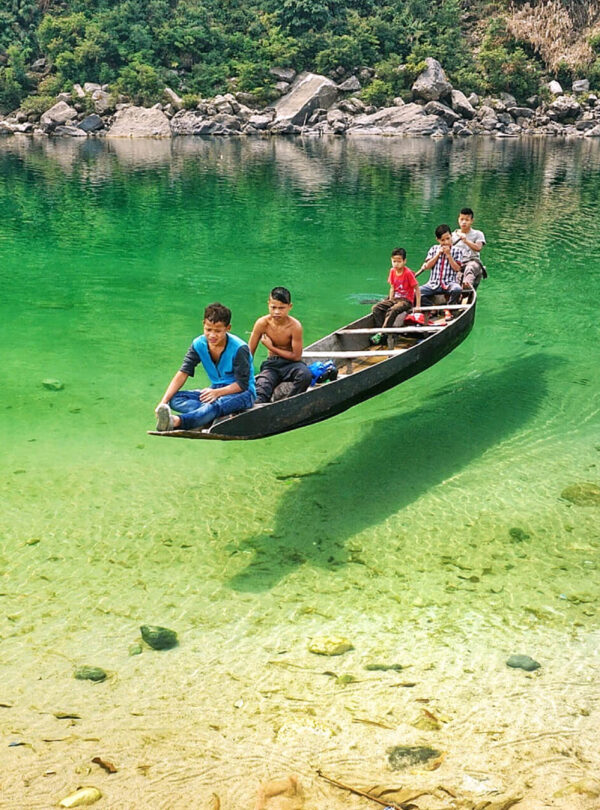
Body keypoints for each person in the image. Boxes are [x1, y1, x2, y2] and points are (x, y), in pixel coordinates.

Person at [155, 302, 255, 431]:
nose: (212, 335)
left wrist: (217, 393)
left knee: (214, 406)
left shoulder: (240, 348)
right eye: (208, 329)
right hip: (215, 389)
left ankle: (176, 421)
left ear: (228, 328)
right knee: (175, 399)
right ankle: (207, 414)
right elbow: (183, 372)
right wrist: (163, 402)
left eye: (218, 331)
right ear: (203, 324)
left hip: (242, 393)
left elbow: (242, 385)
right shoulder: (198, 344)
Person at [248, 287, 312, 403]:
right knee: (262, 387)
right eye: (273, 307)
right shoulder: (262, 323)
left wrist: (271, 347)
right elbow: (249, 353)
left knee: (305, 375)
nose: (277, 312)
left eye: (281, 308)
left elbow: (296, 356)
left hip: (291, 364)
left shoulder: (295, 326)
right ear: (268, 304)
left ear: (289, 307)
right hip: (272, 364)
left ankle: (290, 403)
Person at [371, 247, 421, 341]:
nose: (396, 264)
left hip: (406, 301)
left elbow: (417, 289)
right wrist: (390, 300)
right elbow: (392, 288)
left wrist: (418, 306)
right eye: (394, 261)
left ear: (404, 261)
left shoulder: (408, 273)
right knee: (376, 308)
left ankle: (382, 333)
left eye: (399, 261)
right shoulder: (392, 271)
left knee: (393, 310)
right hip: (395, 299)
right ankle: (380, 330)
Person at [418, 223, 463, 320]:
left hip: (449, 283)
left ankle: (448, 309)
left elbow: (457, 268)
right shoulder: (434, 249)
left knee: (457, 289)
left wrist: (449, 255)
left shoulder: (457, 251)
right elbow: (427, 266)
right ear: (438, 240)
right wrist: (438, 255)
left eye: (448, 238)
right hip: (433, 283)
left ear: (451, 236)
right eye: (443, 240)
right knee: (415, 292)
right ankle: (432, 307)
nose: (446, 242)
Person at [452, 207, 486, 289]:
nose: (464, 222)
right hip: (458, 263)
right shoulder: (452, 235)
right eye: (461, 219)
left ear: (471, 221)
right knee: (455, 275)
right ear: (458, 219)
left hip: (473, 261)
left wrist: (465, 240)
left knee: (469, 268)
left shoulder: (478, 234)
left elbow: (478, 248)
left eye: (467, 220)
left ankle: (467, 287)